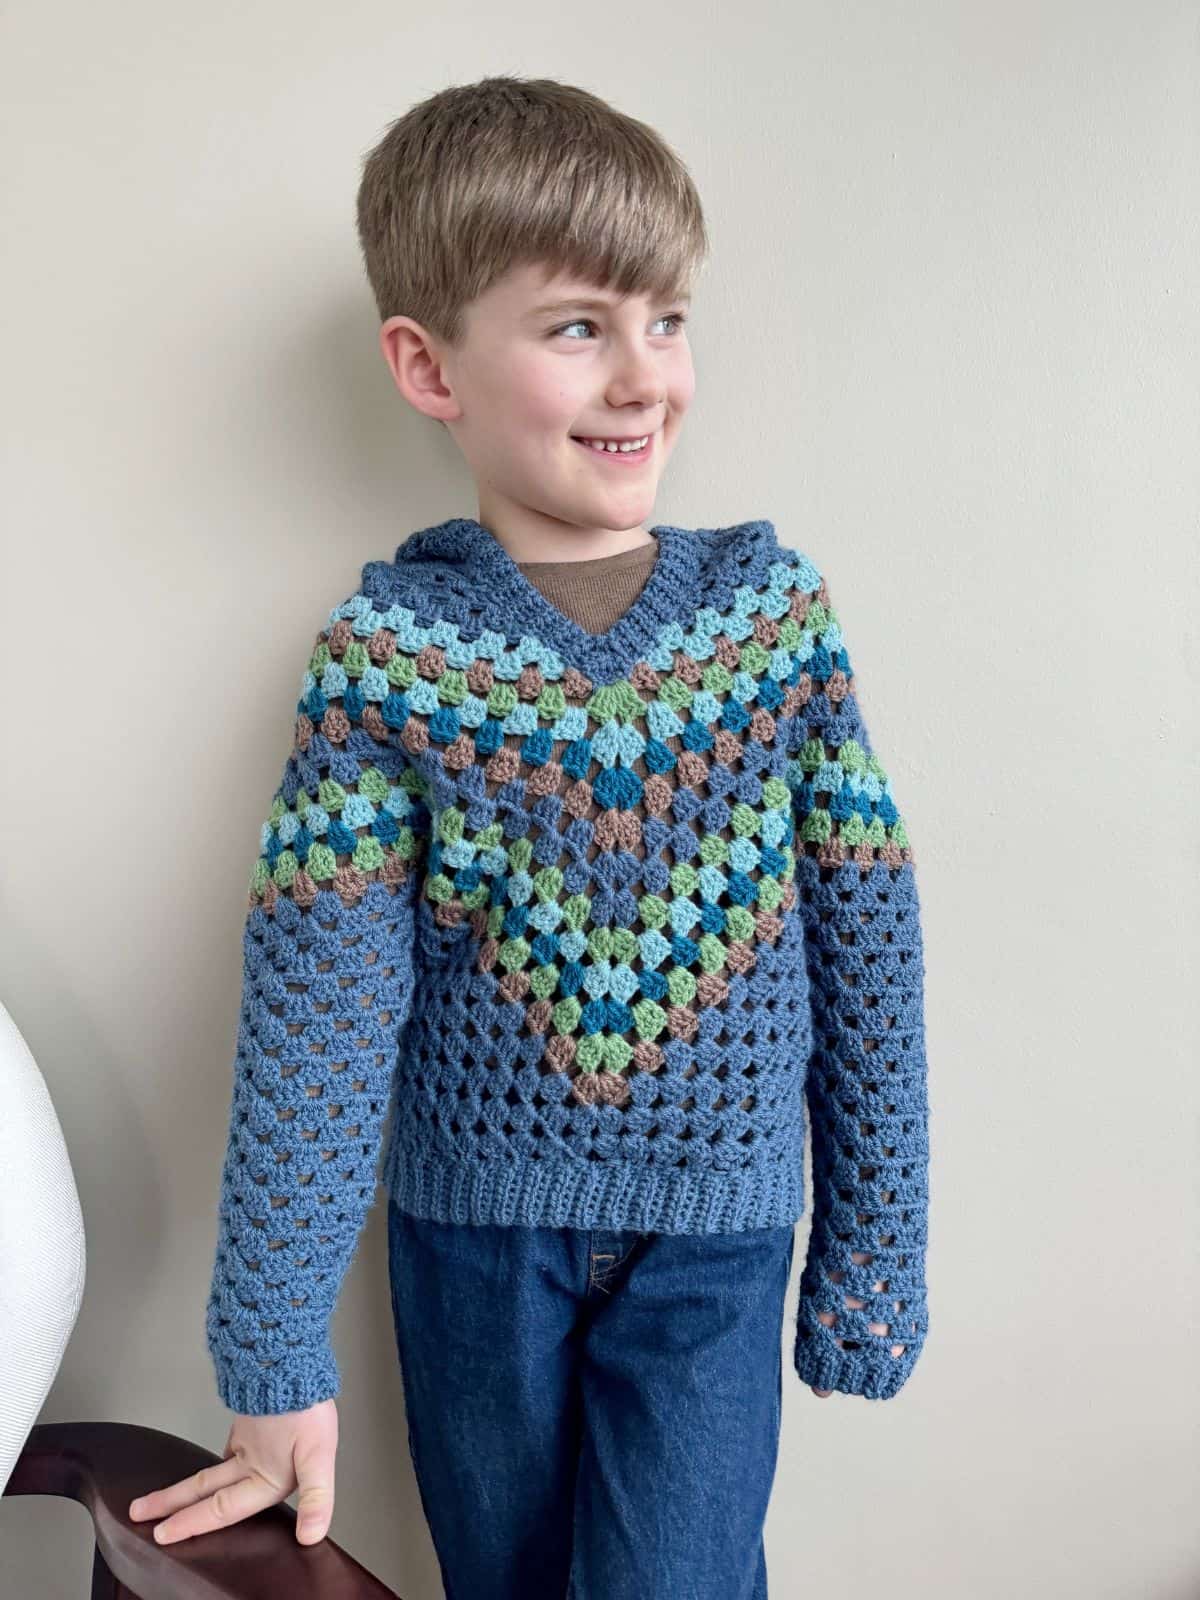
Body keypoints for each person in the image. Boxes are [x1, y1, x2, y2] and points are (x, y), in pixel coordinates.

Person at [129, 74, 930, 1599]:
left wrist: (873, 1252)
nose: (645, 376)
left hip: (718, 1245)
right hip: (471, 1255)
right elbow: (322, 1009)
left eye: (668, 319)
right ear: (429, 367)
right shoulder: (390, 656)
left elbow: (867, 945)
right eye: (579, 327)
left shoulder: (775, 631)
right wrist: (275, 1345)